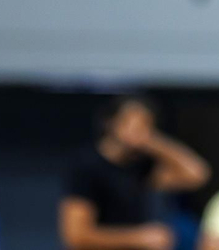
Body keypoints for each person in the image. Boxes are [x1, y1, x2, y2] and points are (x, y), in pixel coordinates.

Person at [60, 95, 210, 250]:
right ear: (110, 122)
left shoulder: (142, 166)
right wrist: (140, 238)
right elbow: (76, 236)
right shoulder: (87, 166)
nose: (136, 131)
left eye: (144, 125)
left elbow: (197, 174)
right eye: (129, 123)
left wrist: (152, 141)